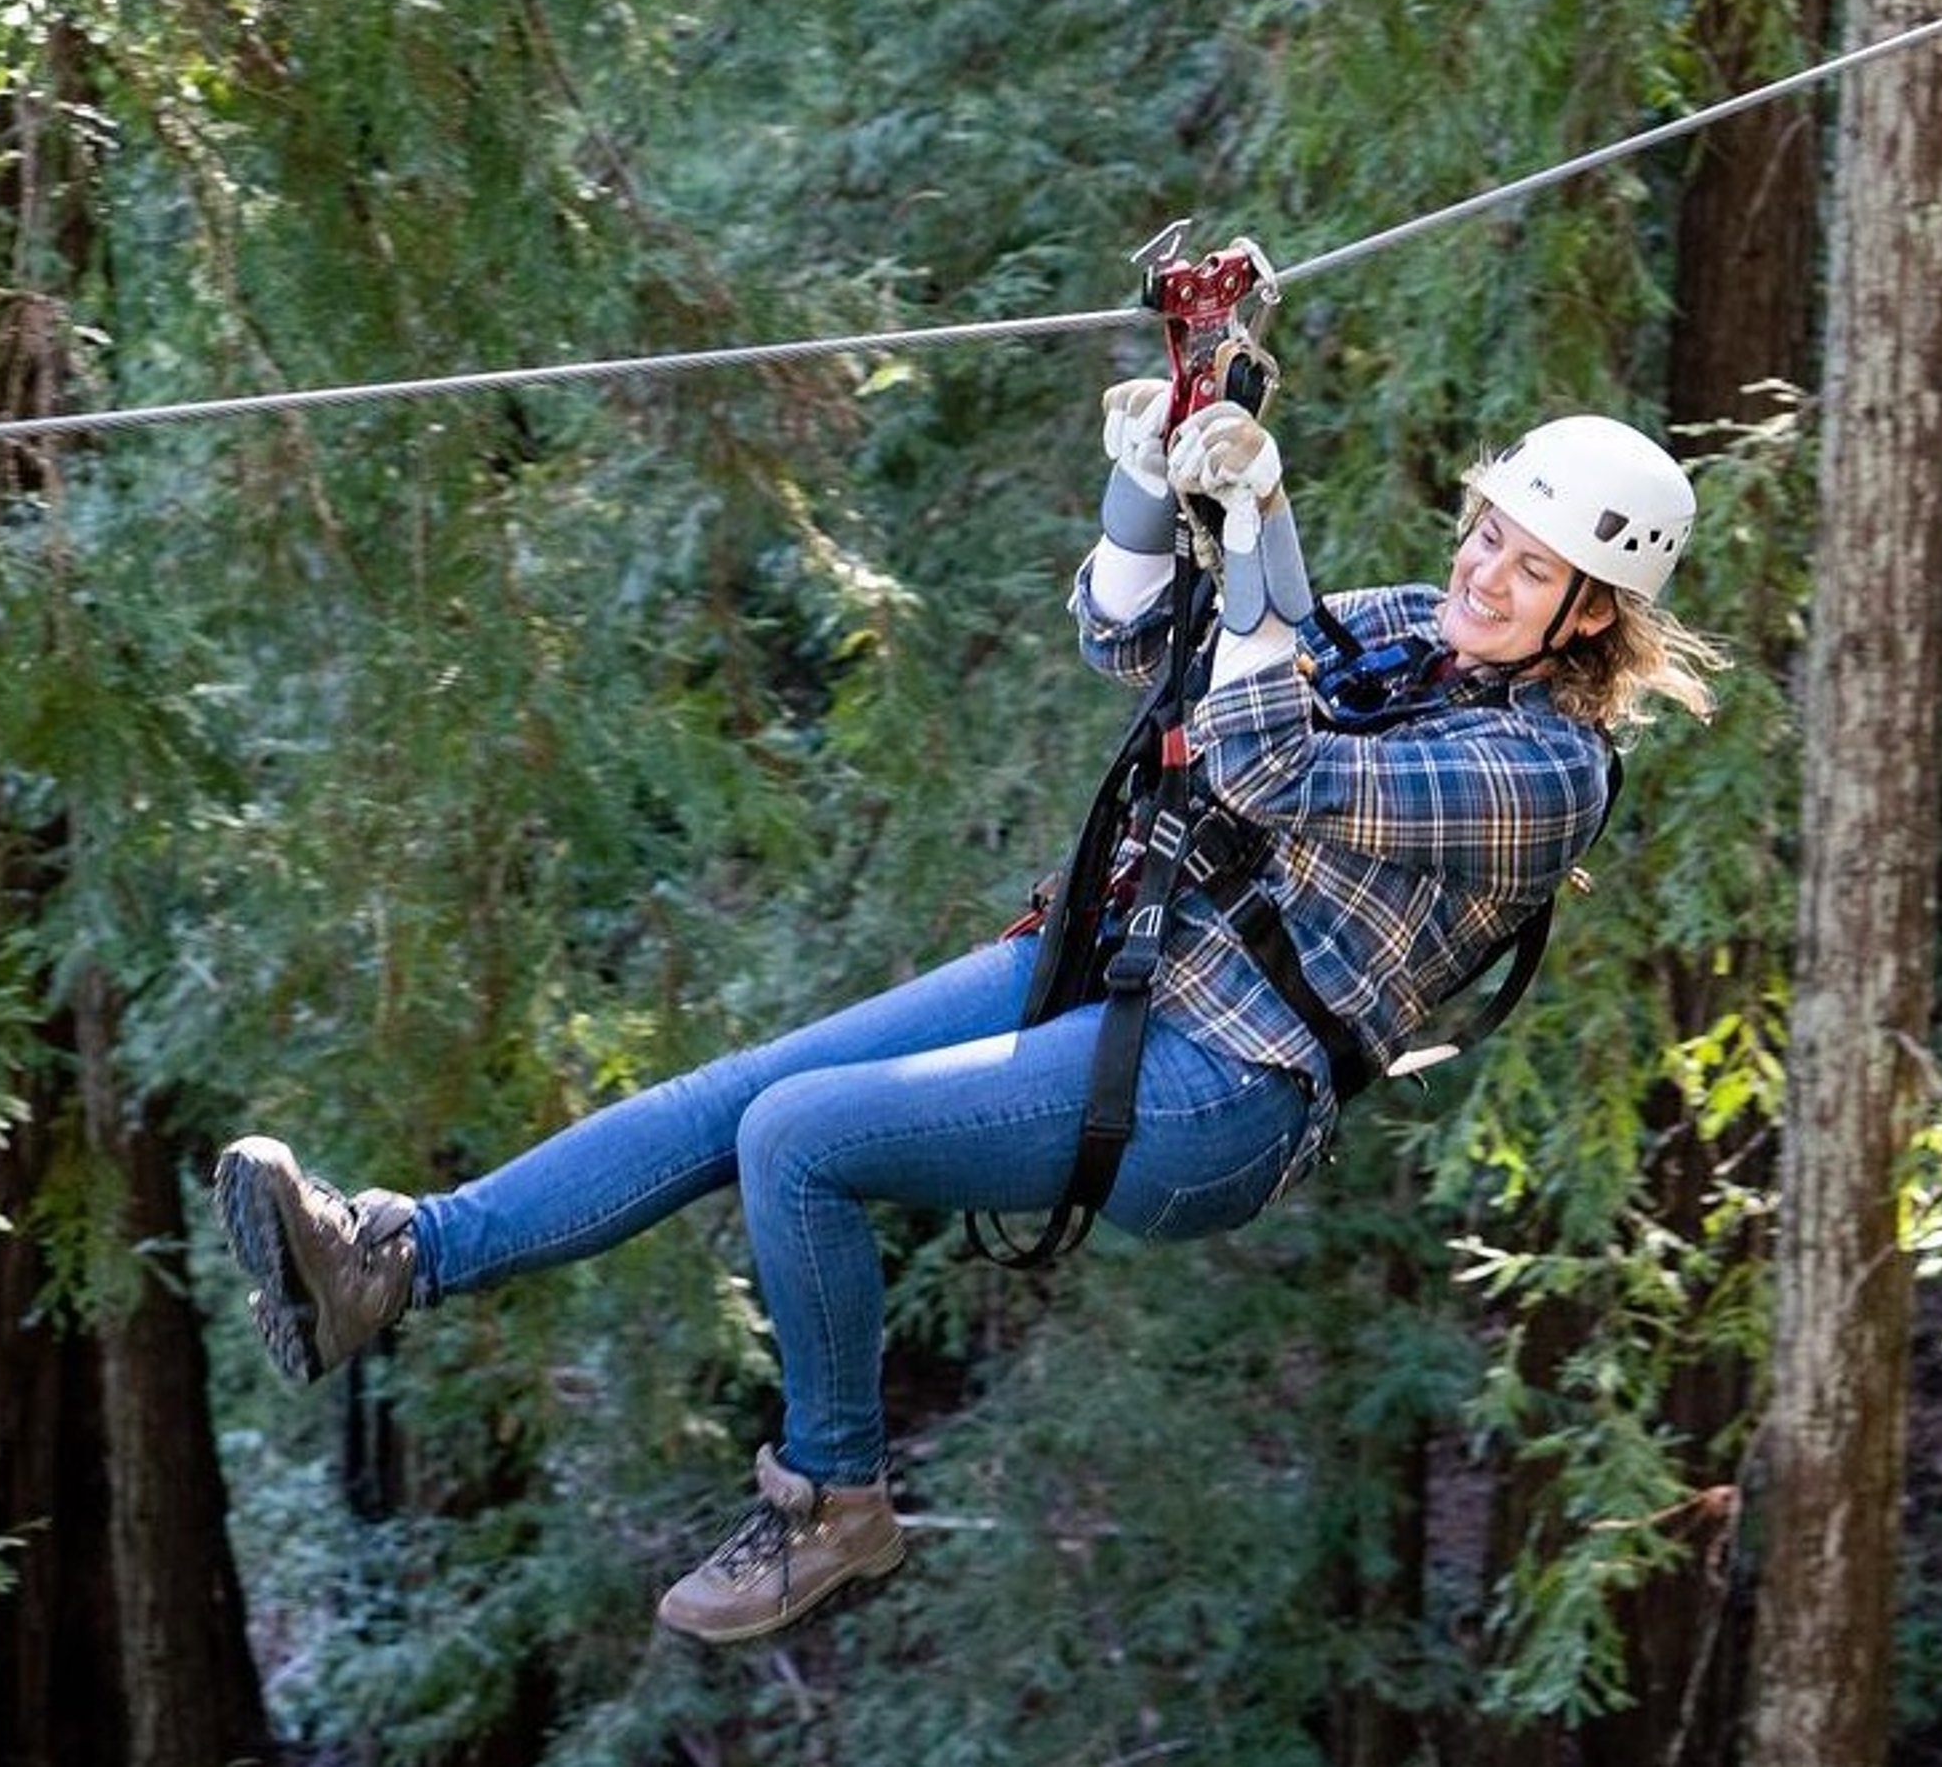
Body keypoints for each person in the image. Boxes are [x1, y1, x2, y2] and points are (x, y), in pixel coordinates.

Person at [211, 378, 1727, 1644]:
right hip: (1121, 965)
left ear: (1593, 620)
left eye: (1529, 571)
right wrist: (1151, 494)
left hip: (1218, 1091)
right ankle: (393, 1259)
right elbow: (1146, 651)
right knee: (738, 1096)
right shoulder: (1412, 627)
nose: (1482, 571)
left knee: (800, 1140)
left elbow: (1269, 763)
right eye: (1486, 534)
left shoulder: (1548, 779)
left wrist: (1266, 522)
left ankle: (834, 1504)